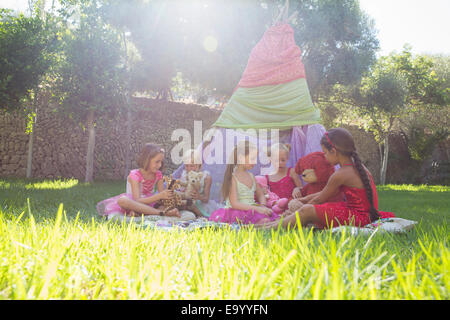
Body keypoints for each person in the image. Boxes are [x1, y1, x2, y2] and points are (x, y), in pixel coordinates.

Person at [260, 128, 396, 229]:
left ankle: (270, 228)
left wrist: (301, 206)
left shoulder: (341, 173)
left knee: (306, 210)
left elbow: (319, 199)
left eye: (325, 153)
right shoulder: (357, 167)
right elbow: (323, 193)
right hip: (361, 213)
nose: (324, 157)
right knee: (313, 208)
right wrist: (303, 199)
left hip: (358, 217)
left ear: (334, 151)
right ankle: (277, 224)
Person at [96, 143, 192, 221]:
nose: (159, 165)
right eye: (157, 162)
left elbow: (161, 195)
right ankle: (160, 213)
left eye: (161, 162)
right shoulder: (135, 175)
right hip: (134, 202)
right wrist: (159, 196)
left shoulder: (158, 175)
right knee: (122, 201)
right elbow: (137, 199)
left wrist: (170, 197)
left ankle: (141, 213)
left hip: (149, 202)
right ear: (147, 160)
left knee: (164, 205)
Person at [209, 141, 280, 225]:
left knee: (273, 220)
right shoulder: (233, 178)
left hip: (252, 210)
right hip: (237, 211)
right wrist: (257, 209)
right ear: (241, 158)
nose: (255, 162)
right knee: (265, 222)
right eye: (252, 158)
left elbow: (260, 194)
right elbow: (234, 204)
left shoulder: (251, 176)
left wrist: (263, 206)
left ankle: (259, 224)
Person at [177, 149, 220, 218]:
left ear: (199, 165)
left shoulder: (206, 177)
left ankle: (203, 217)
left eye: (192, 166)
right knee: (177, 199)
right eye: (186, 166)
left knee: (191, 206)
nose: (189, 169)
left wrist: (199, 197)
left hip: (200, 204)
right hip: (187, 201)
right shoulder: (184, 174)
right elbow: (182, 190)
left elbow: (206, 199)